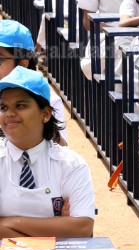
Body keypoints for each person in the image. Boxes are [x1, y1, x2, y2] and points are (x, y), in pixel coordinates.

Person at [0, 67, 94, 238]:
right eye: (3, 107)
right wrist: (58, 228)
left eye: (20, 105)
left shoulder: (70, 164)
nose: (10, 114)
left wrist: (12, 223)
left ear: (45, 114)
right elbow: (72, 230)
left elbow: (82, 228)